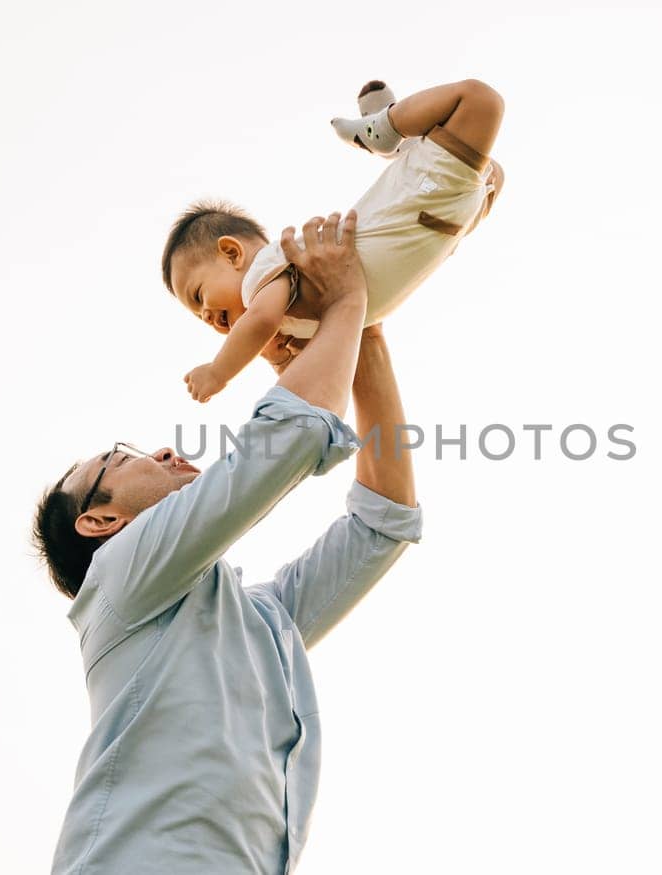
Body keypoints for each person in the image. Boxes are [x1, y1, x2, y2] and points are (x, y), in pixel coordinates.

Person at [32, 210, 421, 874]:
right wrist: (346, 300)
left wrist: (367, 337)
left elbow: (381, 522)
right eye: (120, 456)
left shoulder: (262, 621)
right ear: (99, 522)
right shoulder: (120, 578)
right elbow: (287, 441)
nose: (159, 447)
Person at [164, 78, 506, 402]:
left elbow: (260, 321)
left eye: (198, 296)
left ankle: (385, 130)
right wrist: (279, 358)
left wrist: (218, 371)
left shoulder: (263, 272)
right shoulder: (298, 325)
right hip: (440, 226)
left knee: (480, 101)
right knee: (493, 171)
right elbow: (311, 385)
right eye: (197, 317)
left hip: (416, 203)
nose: (206, 316)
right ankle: (404, 141)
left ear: (231, 253)